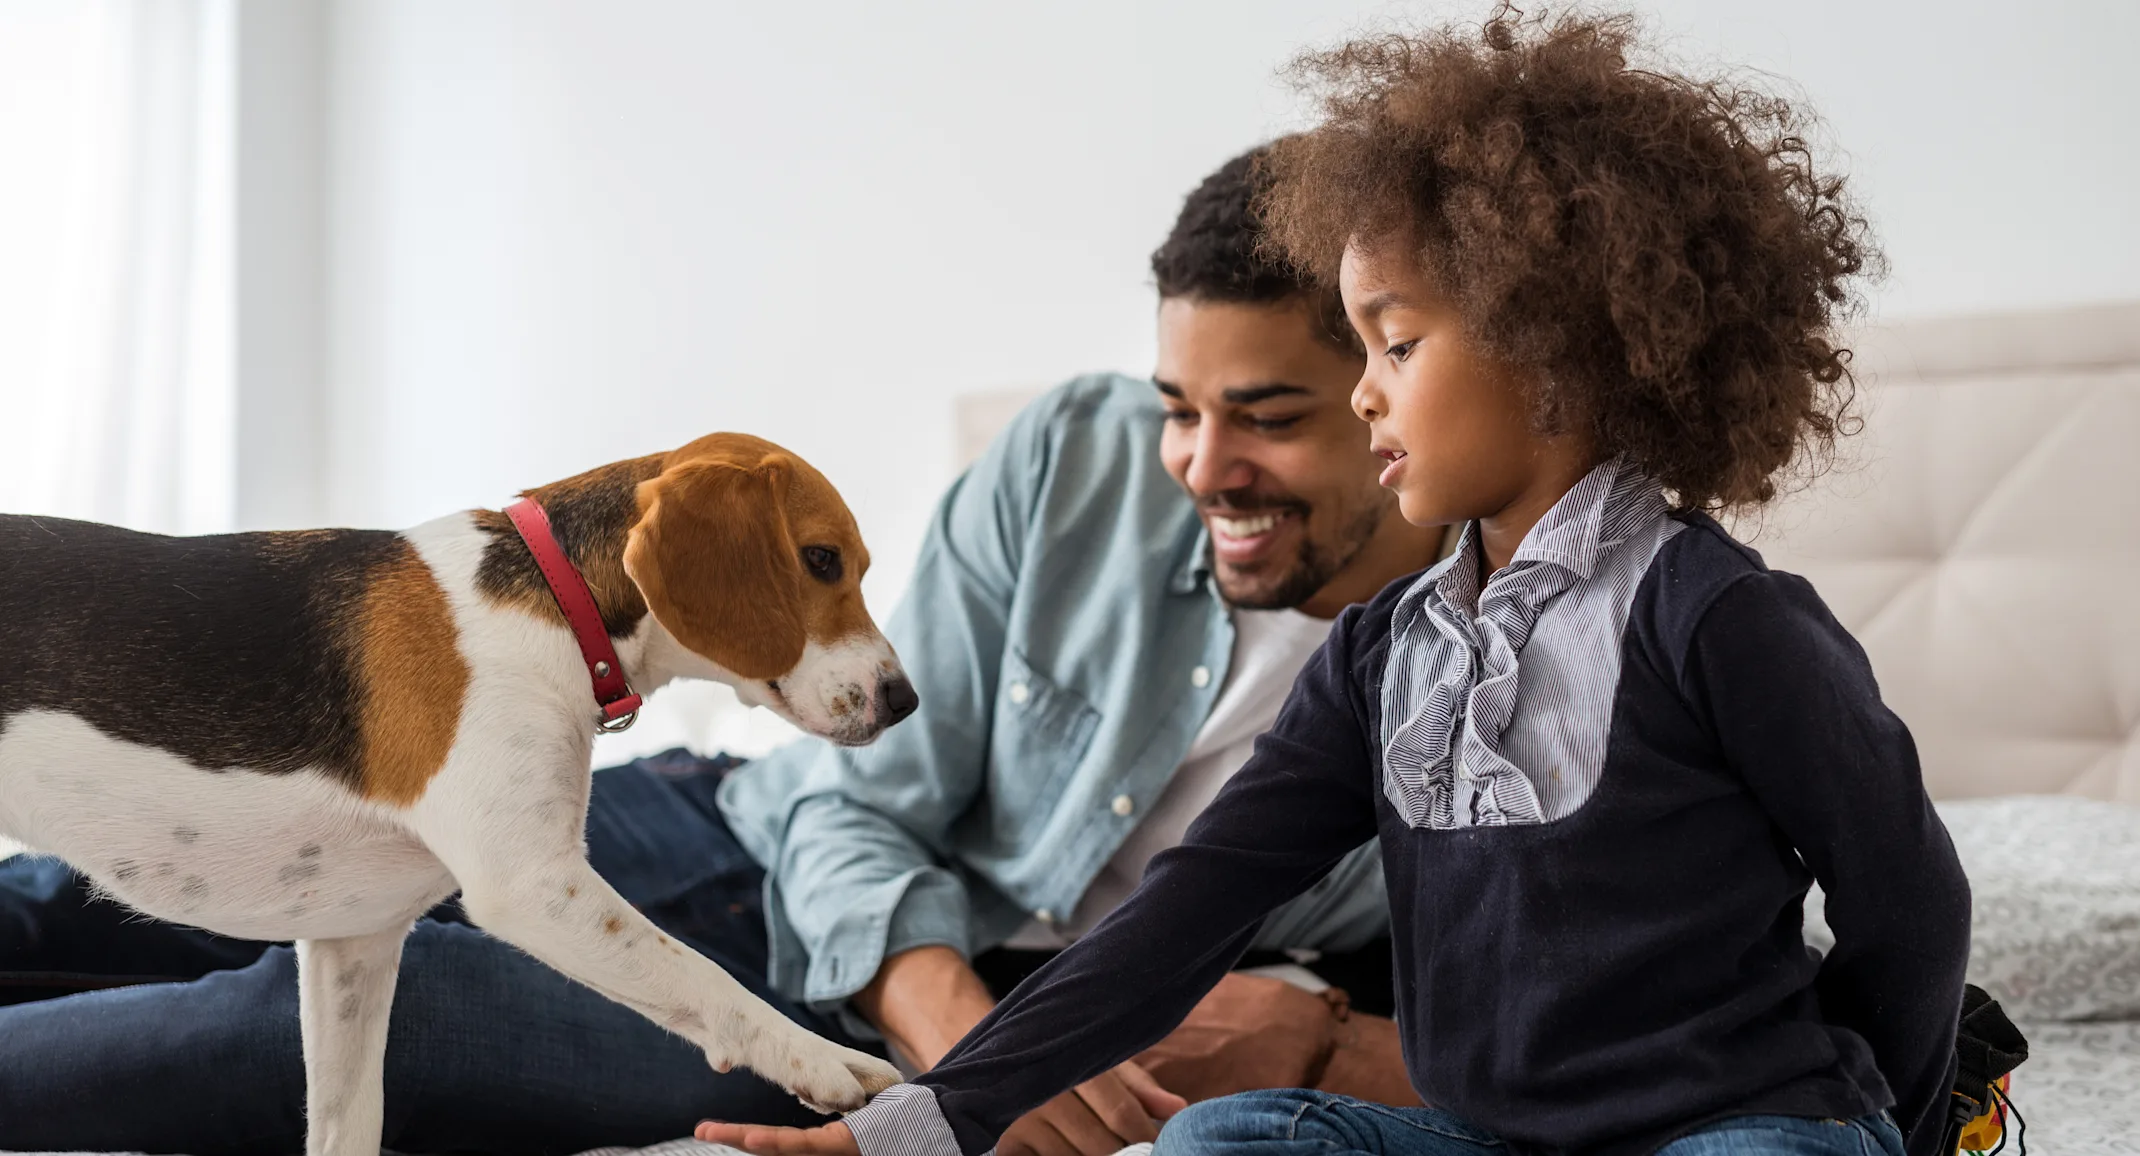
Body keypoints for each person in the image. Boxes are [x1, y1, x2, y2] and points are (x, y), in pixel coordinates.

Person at [696, 10, 1972, 1156]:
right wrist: (912, 1132)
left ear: (1557, 353)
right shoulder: (1383, 653)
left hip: (1733, 1129)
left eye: (1396, 343)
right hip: (1494, 1139)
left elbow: (1908, 899)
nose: (1364, 391)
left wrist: (1876, 1124)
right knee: (1220, 1143)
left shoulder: (1718, 617)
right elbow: (1182, 916)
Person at [0, 145, 1444, 1156]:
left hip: (896, 993)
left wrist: (1309, 1037)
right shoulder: (1078, 454)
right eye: (1180, 407)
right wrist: (944, 1025)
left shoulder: (1481, 662)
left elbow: (1554, 1017)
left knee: (366, 1001)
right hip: (757, 841)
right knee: (87, 885)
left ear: (1387, 384)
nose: (1198, 465)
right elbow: (864, 798)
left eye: (1269, 416)